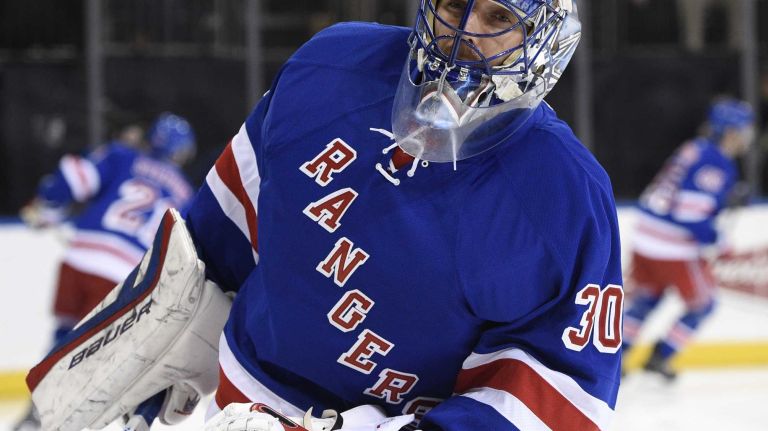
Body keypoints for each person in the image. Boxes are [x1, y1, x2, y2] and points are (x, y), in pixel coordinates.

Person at [28, 2, 624, 430]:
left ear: (547, 39)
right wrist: (156, 335)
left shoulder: (564, 195)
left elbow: (556, 395)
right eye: (452, 6)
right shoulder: (332, 68)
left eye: (498, 18)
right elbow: (223, 231)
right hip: (245, 404)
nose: (463, 32)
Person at [13, 113, 196, 431]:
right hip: (122, 276)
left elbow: (71, 178)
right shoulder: (186, 195)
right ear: (182, 153)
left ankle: (36, 416)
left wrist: (47, 209)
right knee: (98, 354)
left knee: (63, 338)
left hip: (79, 259)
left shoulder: (122, 155)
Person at [622, 98, 755, 381]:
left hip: (645, 237)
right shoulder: (716, 162)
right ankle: (661, 356)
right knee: (703, 304)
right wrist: (718, 241)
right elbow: (690, 216)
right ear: (730, 131)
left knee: (647, 298)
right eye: (743, 130)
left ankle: (617, 356)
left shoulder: (695, 148)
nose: (746, 137)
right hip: (671, 248)